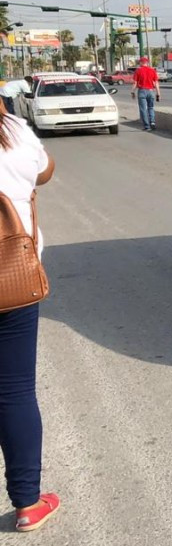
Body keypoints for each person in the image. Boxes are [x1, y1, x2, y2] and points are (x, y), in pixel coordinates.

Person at [0, 110, 60, 532]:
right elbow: (45, 170)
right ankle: (26, 503)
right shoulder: (14, 132)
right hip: (10, 278)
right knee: (15, 390)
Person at [131, 56, 161, 131]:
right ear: (147, 63)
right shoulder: (152, 71)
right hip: (151, 91)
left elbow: (135, 83)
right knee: (151, 107)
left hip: (142, 91)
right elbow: (156, 83)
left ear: (141, 63)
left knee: (143, 109)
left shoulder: (138, 71)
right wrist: (158, 93)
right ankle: (153, 122)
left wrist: (132, 92)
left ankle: (147, 126)